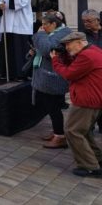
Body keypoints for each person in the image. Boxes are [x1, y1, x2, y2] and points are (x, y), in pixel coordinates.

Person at [51, 31, 102, 177]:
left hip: (86, 100)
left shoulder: (87, 56)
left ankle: (90, 166)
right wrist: (66, 57)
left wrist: (55, 60)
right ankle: (96, 158)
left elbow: (69, 74)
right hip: (93, 98)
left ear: (80, 42)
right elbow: (77, 67)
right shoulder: (93, 51)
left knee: (72, 131)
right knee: (83, 131)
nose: (66, 48)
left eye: (69, 44)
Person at [30, 12, 71, 148]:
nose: (42, 28)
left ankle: (60, 137)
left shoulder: (63, 33)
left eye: (45, 25)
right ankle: (57, 132)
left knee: (53, 107)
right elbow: (43, 48)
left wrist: (40, 35)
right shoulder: (55, 33)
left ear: (54, 24)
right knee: (51, 107)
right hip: (48, 77)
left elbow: (48, 49)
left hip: (54, 78)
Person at [0, 0, 33, 81]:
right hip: (7, 21)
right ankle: (8, 73)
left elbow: (24, 0)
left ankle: (21, 74)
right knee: (8, 50)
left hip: (20, 22)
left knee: (20, 50)